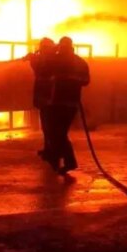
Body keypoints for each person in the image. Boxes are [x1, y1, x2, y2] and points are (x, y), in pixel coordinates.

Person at [48, 36, 90, 175]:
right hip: (68, 103)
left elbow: (43, 67)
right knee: (58, 132)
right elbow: (86, 81)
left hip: (60, 102)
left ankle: (68, 161)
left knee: (58, 132)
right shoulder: (79, 62)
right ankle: (59, 158)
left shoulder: (57, 60)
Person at [25, 38, 57, 159]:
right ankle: (48, 149)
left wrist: (32, 60)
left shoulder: (51, 60)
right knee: (46, 126)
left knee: (50, 126)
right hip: (47, 98)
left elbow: (40, 70)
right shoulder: (51, 58)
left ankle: (53, 151)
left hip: (50, 98)